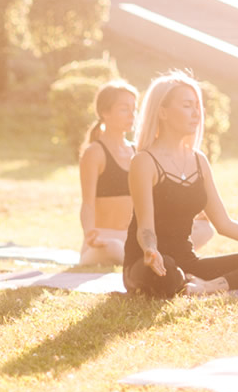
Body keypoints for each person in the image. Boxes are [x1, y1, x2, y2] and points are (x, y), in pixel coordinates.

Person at [124, 70, 238, 298]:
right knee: (169, 273)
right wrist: (150, 250)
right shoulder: (144, 161)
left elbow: (224, 224)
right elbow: (145, 226)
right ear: (162, 112)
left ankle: (209, 286)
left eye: (197, 106)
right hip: (146, 265)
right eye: (187, 106)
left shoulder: (198, 160)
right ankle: (190, 284)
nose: (196, 113)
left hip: (188, 262)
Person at [78, 80, 213, 266]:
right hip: (106, 238)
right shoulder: (94, 152)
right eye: (124, 109)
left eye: (134, 109)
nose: (132, 115)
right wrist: (89, 233)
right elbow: (87, 203)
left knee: (205, 229)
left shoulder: (139, 153)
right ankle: (156, 258)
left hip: (135, 237)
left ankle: (157, 256)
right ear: (105, 112)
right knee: (116, 248)